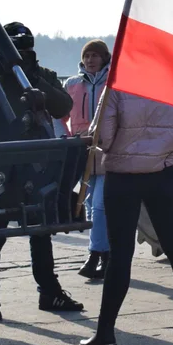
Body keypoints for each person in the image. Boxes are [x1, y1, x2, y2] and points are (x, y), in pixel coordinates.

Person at [79, 90, 173, 345]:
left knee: (120, 255)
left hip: (124, 177)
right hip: (164, 176)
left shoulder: (118, 86)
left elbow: (104, 137)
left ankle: (105, 333)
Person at [0, 22, 82, 322]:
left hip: (37, 166)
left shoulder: (39, 75)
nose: (20, 54)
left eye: (25, 49)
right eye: (15, 49)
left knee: (41, 232)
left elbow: (63, 106)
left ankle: (49, 290)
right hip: (1, 164)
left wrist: (33, 79)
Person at [64, 40, 113, 280]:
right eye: (87, 56)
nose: (91, 60)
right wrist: (63, 139)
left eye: (95, 55)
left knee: (102, 205)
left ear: (105, 58)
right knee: (92, 206)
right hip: (83, 155)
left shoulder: (113, 83)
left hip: (107, 154)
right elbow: (60, 115)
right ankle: (105, 255)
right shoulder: (72, 85)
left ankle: (96, 254)